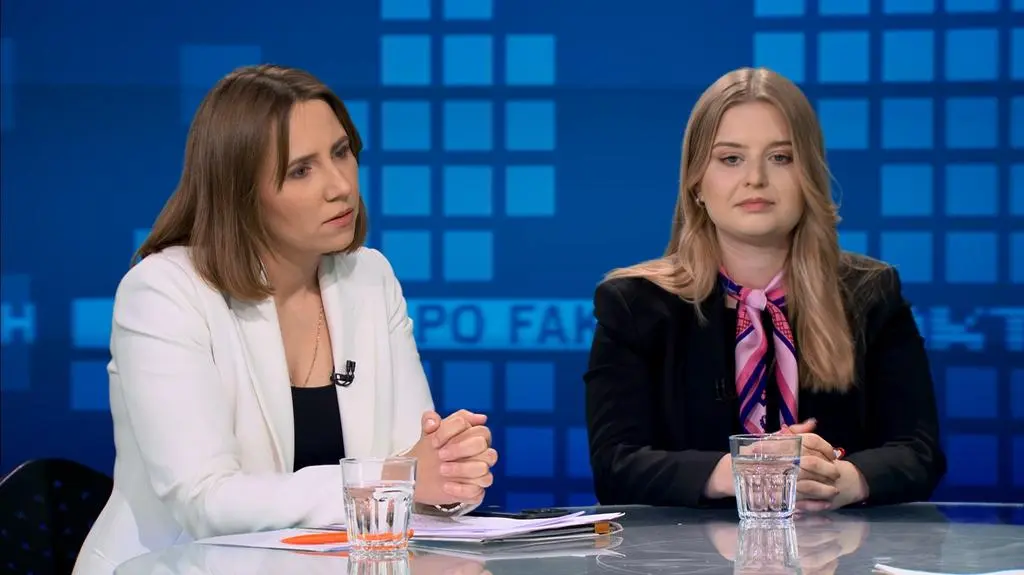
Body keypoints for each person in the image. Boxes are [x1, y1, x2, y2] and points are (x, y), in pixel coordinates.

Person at [73, 64, 498, 574]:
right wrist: (395, 480)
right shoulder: (163, 292)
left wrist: (450, 473)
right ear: (240, 191)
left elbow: (412, 466)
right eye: (301, 170)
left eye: (341, 152)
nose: (340, 186)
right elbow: (204, 501)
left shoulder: (369, 278)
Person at [584, 67, 946, 512]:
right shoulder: (635, 303)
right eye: (730, 159)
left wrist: (838, 481)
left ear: (809, 174)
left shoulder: (870, 294)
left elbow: (918, 452)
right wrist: (746, 471)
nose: (755, 178)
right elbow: (616, 466)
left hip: (836, 545)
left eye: (780, 157)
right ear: (696, 183)